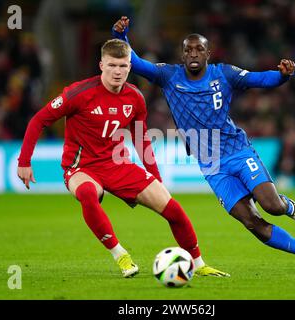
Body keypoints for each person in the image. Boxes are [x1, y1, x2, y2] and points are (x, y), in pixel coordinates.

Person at [113, 17, 295, 274]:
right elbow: (136, 64)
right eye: (188, 50)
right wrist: (122, 36)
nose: (193, 53)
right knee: (251, 222)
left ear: (208, 53)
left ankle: (290, 207)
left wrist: (282, 76)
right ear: (182, 55)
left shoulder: (224, 73)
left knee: (272, 206)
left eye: (199, 49)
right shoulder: (168, 76)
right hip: (212, 165)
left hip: (238, 151)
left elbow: (260, 80)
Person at [17, 39, 229, 278]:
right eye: (112, 65)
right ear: (101, 65)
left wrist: (155, 178)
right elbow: (39, 120)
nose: (118, 72)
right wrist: (24, 161)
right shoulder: (79, 93)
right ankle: (121, 255)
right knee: (88, 193)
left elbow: (141, 139)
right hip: (81, 167)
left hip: (118, 165)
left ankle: (198, 264)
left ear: (130, 66)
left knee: (173, 209)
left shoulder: (135, 98)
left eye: (123, 66)